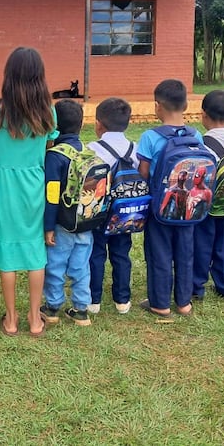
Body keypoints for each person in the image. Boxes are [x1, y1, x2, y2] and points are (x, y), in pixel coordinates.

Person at [0, 47, 58, 337]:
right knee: (35, 252)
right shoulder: (47, 111)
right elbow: (49, 146)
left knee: (10, 254)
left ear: (8, 76)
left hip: (4, 187)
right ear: (40, 76)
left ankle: (11, 320)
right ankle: (35, 320)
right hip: (35, 185)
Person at [137, 79, 201, 318]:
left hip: (160, 207)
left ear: (157, 106)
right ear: (185, 105)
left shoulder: (150, 137)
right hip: (191, 207)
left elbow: (144, 171)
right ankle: (184, 303)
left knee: (159, 253)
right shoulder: (197, 135)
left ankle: (160, 304)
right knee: (186, 252)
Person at [40, 99, 93, 327]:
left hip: (62, 223)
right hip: (86, 221)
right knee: (81, 265)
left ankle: (52, 307)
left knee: (55, 264)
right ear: (81, 125)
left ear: (53, 124)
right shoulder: (88, 150)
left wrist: (48, 226)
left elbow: (52, 195)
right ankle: (81, 309)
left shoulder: (55, 155)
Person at [87, 97, 136, 315]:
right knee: (122, 253)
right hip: (126, 212)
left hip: (100, 211)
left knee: (96, 253)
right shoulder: (135, 149)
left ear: (98, 123)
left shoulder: (92, 149)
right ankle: (122, 300)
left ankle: (93, 300)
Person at [192, 90, 224, 300]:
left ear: (203, 114)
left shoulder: (201, 144)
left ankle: (196, 286)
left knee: (202, 245)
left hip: (206, 205)